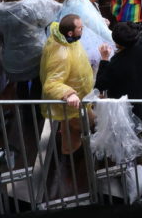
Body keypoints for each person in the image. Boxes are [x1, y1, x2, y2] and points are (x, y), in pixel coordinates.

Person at [40, 14, 105, 154]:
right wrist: (68, 94)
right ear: (70, 33)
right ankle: (73, 155)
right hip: (73, 104)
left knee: (77, 125)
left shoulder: (67, 39)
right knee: (75, 129)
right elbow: (51, 83)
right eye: (80, 28)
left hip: (81, 99)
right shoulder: (61, 55)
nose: (83, 30)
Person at [0, 0, 61, 98]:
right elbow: (48, 18)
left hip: (12, 57)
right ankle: (35, 108)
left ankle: (24, 108)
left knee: (21, 85)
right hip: (35, 54)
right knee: (37, 83)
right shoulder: (30, 7)